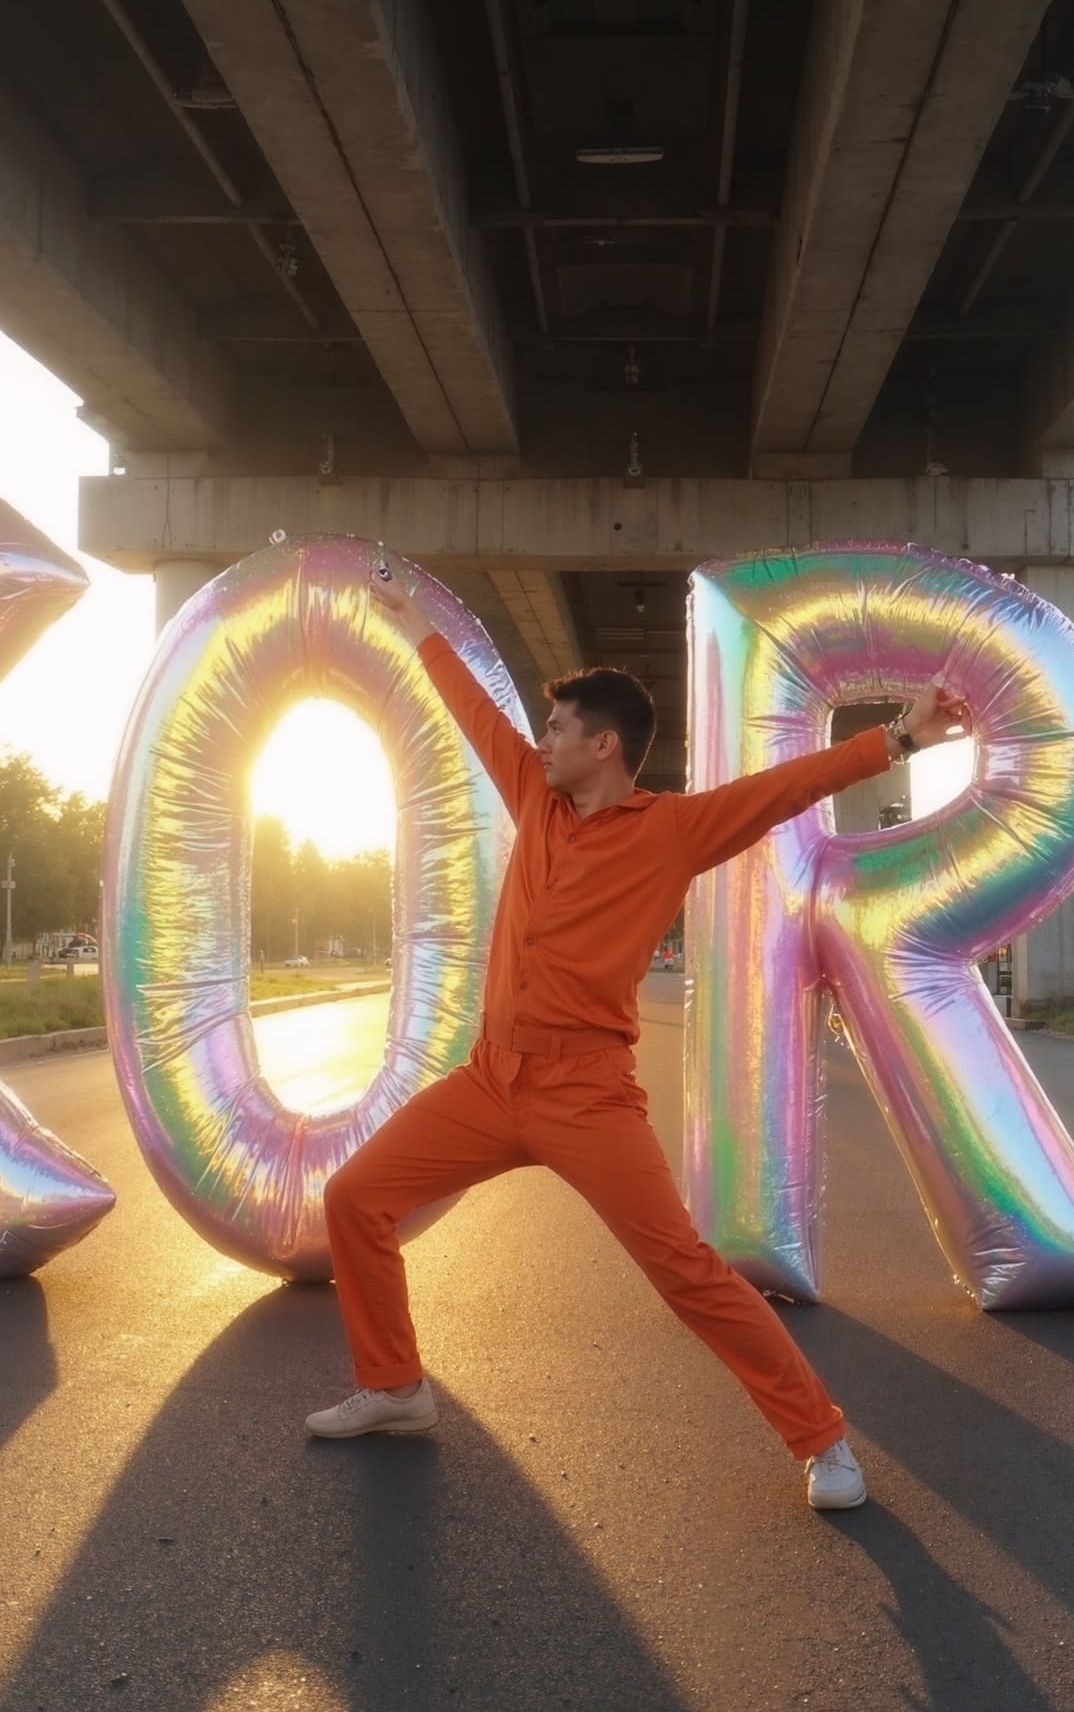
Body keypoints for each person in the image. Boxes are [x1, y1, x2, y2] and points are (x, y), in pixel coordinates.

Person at [305, 570, 968, 1512]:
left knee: (687, 1274)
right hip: (491, 1081)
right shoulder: (534, 797)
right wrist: (418, 630)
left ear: (602, 745)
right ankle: (397, 1388)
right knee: (357, 1197)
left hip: (587, 1095)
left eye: (559, 730)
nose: (541, 744)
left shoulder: (672, 830)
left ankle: (821, 1440)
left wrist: (896, 737)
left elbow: (788, 789)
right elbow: (471, 714)